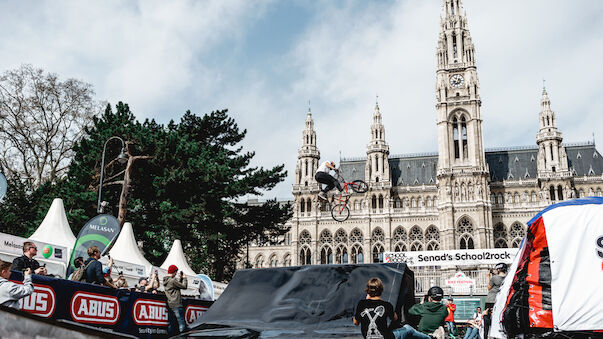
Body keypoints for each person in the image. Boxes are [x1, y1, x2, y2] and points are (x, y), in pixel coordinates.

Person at [163, 265, 188, 334]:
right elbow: (184, 286)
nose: (176, 274)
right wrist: (185, 278)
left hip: (170, 304)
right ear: (173, 272)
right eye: (176, 272)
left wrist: (181, 279)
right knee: (181, 324)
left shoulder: (166, 280)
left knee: (171, 324)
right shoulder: (173, 280)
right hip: (177, 304)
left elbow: (177, 286)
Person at [484, 263, 507, 337]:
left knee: (486, 320)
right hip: (500, 301)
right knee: (497, 319)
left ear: (498, 269)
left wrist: (488, 277)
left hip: (491, 300)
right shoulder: (507, 278)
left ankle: (486, 336)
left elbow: (489, 288)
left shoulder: (494, 278)